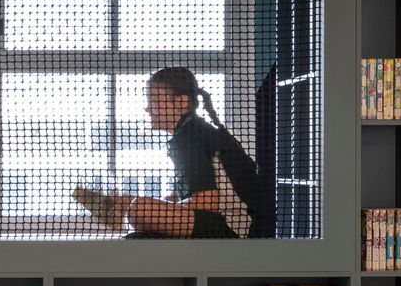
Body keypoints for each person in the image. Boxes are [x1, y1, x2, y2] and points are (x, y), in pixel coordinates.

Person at [76, 66, 265, 239]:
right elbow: (177, 200)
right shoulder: (192, 131)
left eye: (154, 101)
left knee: (139, 210)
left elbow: (207, 204)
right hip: (232, 227)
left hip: (237, 230)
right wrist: (129, 201)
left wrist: (138, 207)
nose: (148, 109)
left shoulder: (189, 136)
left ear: (182, 102)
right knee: (137, 220)